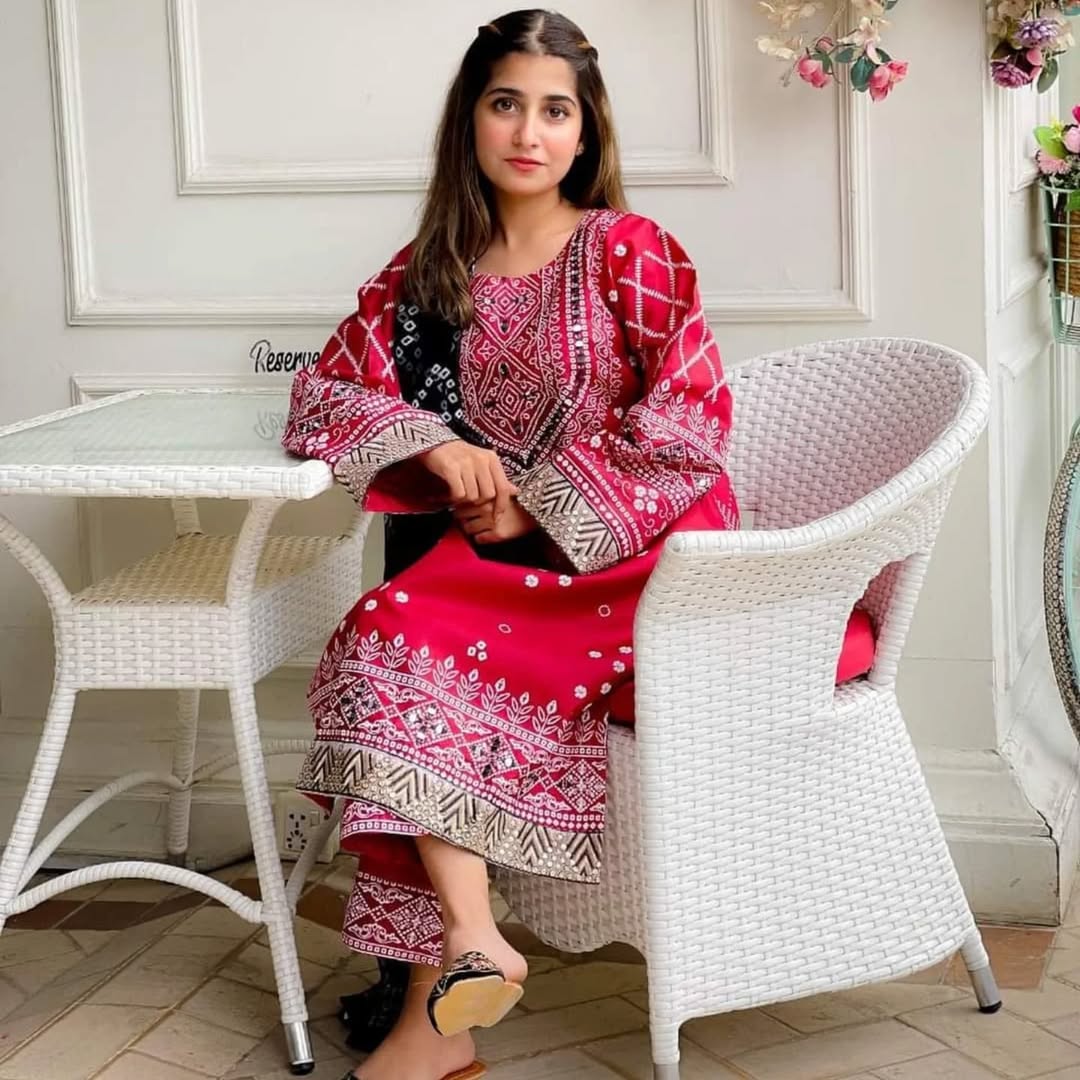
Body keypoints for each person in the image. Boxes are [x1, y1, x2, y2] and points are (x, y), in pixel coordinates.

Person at [282, 9, 737, 1079]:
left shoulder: (630, 251)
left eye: (554, 109)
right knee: (386, 631)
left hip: (637, 551)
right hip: (503, 567)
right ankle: (458, 980)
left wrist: (538, 506)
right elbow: (321, 394)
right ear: (470, 121)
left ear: (585, 133)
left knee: (397, 642)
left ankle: (438, 1013)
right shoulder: (429, 271)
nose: (528, 131)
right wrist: (432, 442)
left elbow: (691, 428)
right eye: (504, 103)